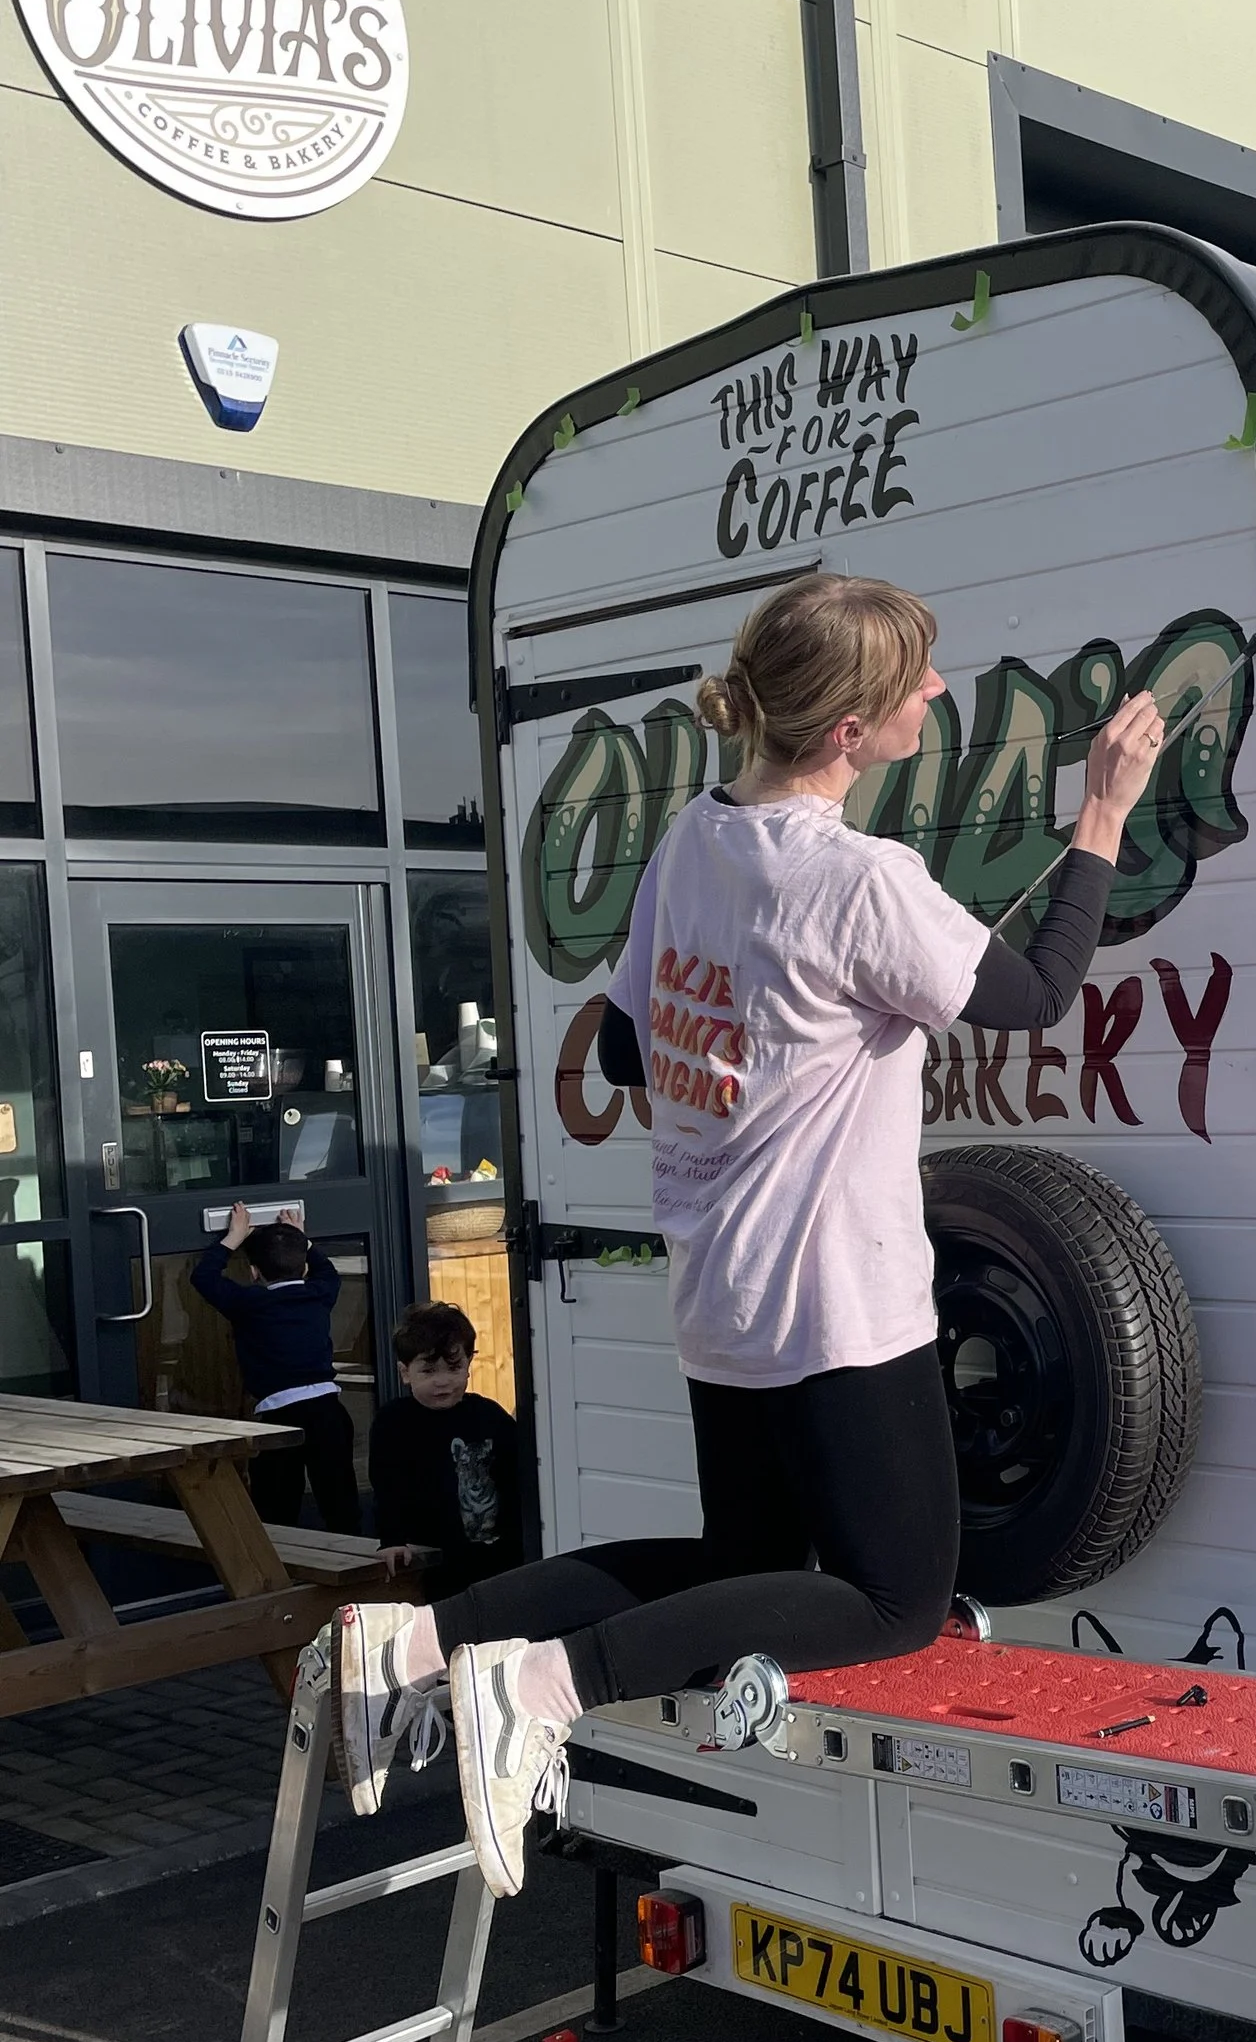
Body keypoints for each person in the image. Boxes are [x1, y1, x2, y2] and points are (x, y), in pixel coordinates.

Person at [318, 568, 1165, 1901]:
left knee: (742, 1573)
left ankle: (418, 1643)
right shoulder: (859, 880)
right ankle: (539, 1686)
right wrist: (1104, 809)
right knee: (894, 1603)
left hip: (722, 1294)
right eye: (918, 679)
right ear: (850, 730)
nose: (939, 692)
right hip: (836, 1301)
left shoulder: (694, 839)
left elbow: (636, 1045)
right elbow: (1037, 992)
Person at [191, 1206, 358, 1533]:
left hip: (280, 1416)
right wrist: (303, 1240)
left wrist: (233, 1238)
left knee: (277, 1507)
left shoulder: (249, 1304)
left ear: (254, 1272)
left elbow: (203, 1277)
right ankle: (354, 1556)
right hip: (328, 1411)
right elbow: (328, 1272)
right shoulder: (318, 1293)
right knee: (340, 1501)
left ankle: (281, 1560)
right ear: (304, 1267)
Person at [370, 1299, 524, 1595]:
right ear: (405, 1372)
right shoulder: (393, 1423)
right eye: (428, 1371)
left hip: (495, 1557)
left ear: (468, 1365)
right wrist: (392, 1541)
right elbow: (386, 1487)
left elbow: (518, 1477)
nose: (442, 1381)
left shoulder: (490, 1416)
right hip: (428, 1561)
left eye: (453, 1368)